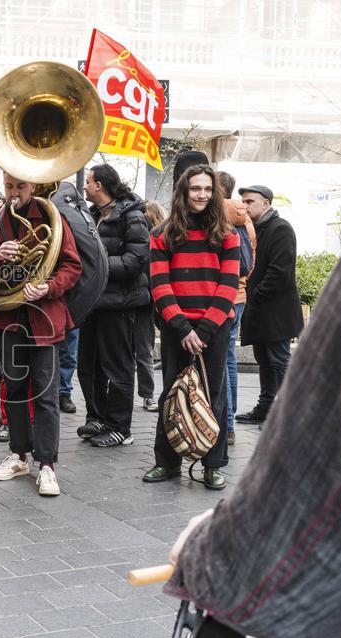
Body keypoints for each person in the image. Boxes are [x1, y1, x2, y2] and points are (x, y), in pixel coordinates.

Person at [165, 202, 341, 638]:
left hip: (234, 319)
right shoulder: (179, 232)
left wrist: (231, 541)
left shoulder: (258, 231)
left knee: (269, 369)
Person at [0, 173, 82, 496]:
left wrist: (49, 286)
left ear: (32, 186)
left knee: (46, 394)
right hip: (9, 318)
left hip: (44, 317)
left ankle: (47, 465)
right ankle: (19, 455)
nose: (14, 193)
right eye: (9, 186)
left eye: (21, 186)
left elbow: (72, 267)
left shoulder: (52, 218)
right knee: (15, 389)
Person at [143, 165, 240, 490]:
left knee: (214, 396)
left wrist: (205, 330)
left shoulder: (228, 234)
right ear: (183, 192)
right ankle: (167, 463)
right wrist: (184, 329)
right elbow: (160, 285)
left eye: (208, 189)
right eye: (196, 188)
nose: (202, 195)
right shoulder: (162, 234)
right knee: (171, 393)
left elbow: (228, 286)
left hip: (215, 327)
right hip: (176, 327)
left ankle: (213, 465)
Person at [77, 164, 150, 447]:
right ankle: (97, 417)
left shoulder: (133, 216)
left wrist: (96, 264)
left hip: (119, 303)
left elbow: (136, 261)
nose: (85, 187)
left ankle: (120, 428)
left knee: (117, 367)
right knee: (89, 366)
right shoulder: (93, 215)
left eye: (89, 182)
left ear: (100, 185)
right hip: (93, 302)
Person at [236, 185, 303, 426]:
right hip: (260, 312)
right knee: (264, 362)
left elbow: (279, 272)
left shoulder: (280, 228)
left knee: (279, 362)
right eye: (243, 201)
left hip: (276, 313)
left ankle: (288, 415)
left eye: (250, 201)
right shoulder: (252, 229)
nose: (244, 206)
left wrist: (254, 296)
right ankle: (265, 409)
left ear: (266, 204)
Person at [217, 171, 256, 444]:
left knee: (219, 360)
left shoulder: (217, 215)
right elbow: (251, 261)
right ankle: (229, 422)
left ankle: (224, 425)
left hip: (223, 296)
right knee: (229, 358)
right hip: (239, 294)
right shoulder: (247, 219)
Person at [136, 200, 166, 413]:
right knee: (144, 351)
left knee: (138, 351)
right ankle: (148, 396)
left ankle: (146, 395)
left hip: (138, 300)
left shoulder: (149, 236)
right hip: (148, 301)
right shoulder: (160, 236)